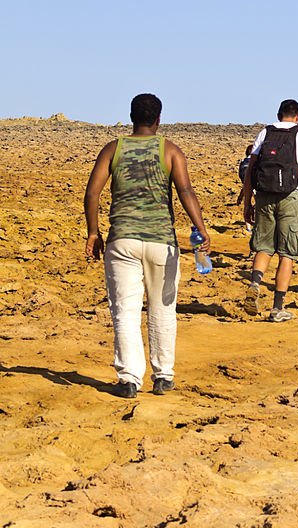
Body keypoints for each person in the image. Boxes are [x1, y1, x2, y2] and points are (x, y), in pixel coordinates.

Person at [84, 93, 211, 399]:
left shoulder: (112, 149)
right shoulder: (170, 151)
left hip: (122, 240)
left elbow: (92, 194)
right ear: (158, 119)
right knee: (163, 309)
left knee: (125, 311)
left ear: (131, 117)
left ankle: (129, 378)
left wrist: (93, 232)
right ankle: (163, 376)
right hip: (161, 242)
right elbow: (185, 191)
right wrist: (201, 228)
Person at [240, 99, 298, 322]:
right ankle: (277, 307)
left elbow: (250, 171)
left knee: (264, 246)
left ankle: (255, 283)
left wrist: (248, 203)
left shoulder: (265, 133)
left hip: (264, 194)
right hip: (291, 196)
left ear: (279, 114)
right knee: (287, 252)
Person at [236, 144, 255, 231]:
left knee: (247, 204)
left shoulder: (243, 163)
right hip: (256, 182)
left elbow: (245, 186)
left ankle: (248, 228)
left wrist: (240, 197)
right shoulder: (257, 161)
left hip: (246, 180)